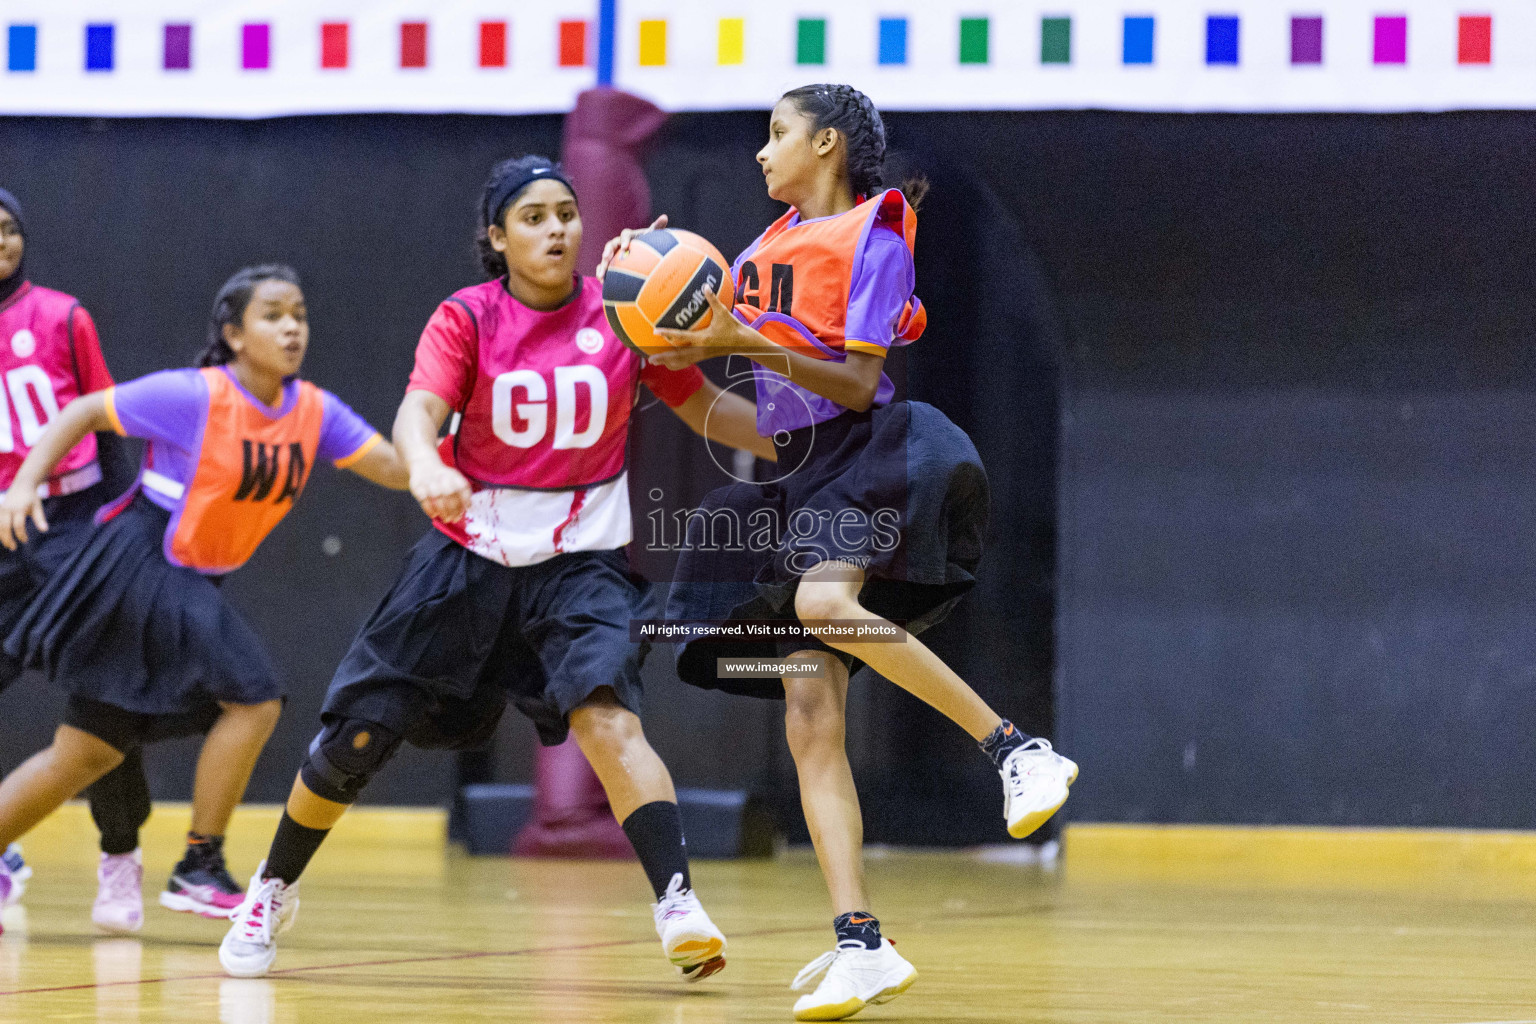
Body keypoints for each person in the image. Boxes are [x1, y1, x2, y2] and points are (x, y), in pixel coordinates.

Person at [219, 155, 772, 981]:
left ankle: (677, 904)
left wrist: (812, 439)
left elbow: (708, 410)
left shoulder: (628, 314)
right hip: (467, 555)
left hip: (581, 565)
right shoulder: (468, 318)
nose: (556, 229)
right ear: (497, 236)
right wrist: (426, 464)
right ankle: (269, 888)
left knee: (607, 718)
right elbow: (420, 412)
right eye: (534, 217)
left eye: (566, 213)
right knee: (357, 738)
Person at [603, 84, 1081, 1021]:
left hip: (882, 451)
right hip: (806, 474)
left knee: (821, 606)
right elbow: (732, 411)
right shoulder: (748, 258)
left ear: (825, 144)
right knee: (810, 711)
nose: (759, 153)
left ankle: (1017, 751)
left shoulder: (877, 236)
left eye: (775, 134)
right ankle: (860, 943)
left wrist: (741, 336)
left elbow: (859, 385)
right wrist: (651, 320)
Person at [0, 264, 408, 937]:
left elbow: (393, 467)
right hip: (140, 562)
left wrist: (452, 456)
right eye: (273, 314)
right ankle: (200, 863)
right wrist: (24, 487)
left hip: (182, 577)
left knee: (86, 753)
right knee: (254, 696)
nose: (292, 327)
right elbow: (82, 410)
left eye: (300, 314)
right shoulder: (192, 395)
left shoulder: (313, 411)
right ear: (233, 332)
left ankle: (192, 863)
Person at [0, 187, 172, 933]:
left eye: (8, 228)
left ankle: (120, 855)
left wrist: (118, 528)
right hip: (4, 533)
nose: (0, 240)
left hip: (73, 523)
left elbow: (106, 423)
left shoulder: (62, 317)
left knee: (100, 701)